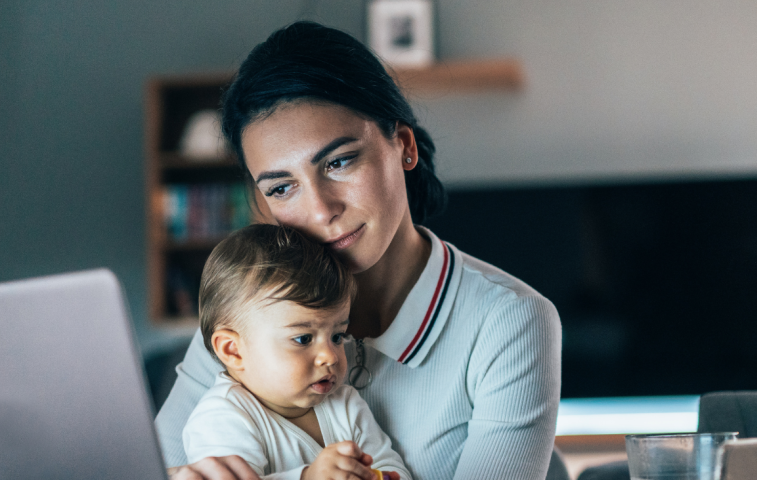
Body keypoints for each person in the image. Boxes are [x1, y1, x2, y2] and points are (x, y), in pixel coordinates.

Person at [156, 21, 562, 480]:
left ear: (403, 146)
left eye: (339, 161)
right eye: (282, 188)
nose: (321, 210)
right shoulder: (249, 317)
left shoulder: (509, 321)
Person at [182, 224, 410, 480]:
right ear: (233, 350)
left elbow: (392, 468)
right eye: (303, 339)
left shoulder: (345, 405)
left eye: (337, 336)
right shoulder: (222, 417)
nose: (330, 356)